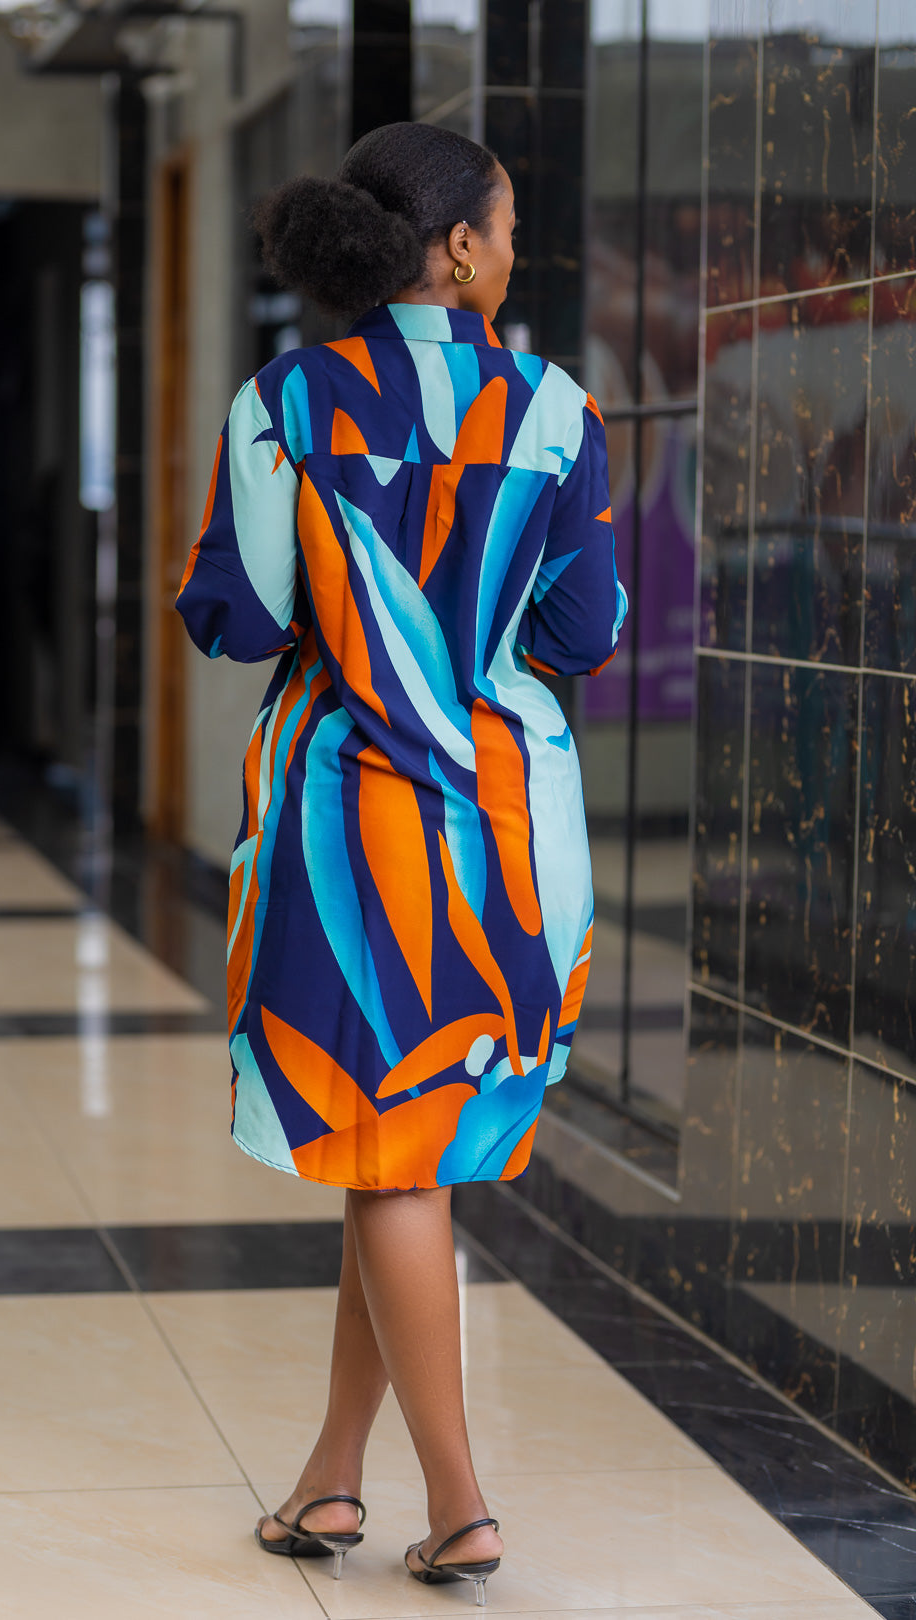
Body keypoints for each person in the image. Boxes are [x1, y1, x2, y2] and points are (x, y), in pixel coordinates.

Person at [176, 120, 627, 1607]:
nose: (515, 249)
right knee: (406, 1157)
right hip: (507, 821)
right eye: (506, 226)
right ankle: (332, 1475)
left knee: (392, 1160)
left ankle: (460, 1505)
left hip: (348, 816)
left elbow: (238, 616)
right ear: (458, 247)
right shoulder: (557, 408)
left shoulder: (284, 402)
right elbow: (585, 633)